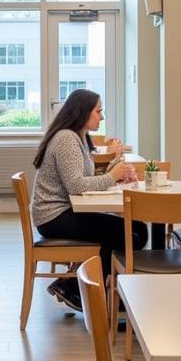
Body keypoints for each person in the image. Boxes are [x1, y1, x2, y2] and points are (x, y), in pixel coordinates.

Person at [31, 89, 144, 311]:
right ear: (83, 112)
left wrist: (114, 174)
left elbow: (84, 179)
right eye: (98, 111)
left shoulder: (79, 137)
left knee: (138, 228)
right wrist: (112, 177)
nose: (101, 116)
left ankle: (80, 286)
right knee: (129, 233)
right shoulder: (66, 139)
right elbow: (76, 185)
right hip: (54, 216)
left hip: (64, 211)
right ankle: (89, 292)